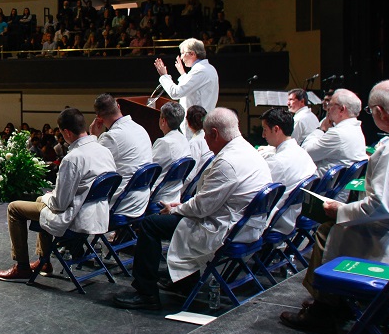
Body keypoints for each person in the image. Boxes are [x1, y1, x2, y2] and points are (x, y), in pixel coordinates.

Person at [280, 80, 389, 334]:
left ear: (380, 112)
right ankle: (334, 302)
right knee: (333, 227)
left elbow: (382, 207)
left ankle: (326, 307)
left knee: (329, 230)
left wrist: (341, 211)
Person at [112, 108, 272, 310]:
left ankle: (146, 292)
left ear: (214, 133)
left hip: (224, 228)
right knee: (170, 217)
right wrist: (183, 206)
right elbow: (210, 200)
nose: (205, 140)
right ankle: (185, 282)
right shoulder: (248, 150)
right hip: (245, 224)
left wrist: (174, 209)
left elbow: (202, 208)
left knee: (150, 224)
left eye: (206, 135)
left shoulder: (227, 162)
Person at [0, 108, 116, 282]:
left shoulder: (73, 158)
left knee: (14, 208)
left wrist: (48, 196)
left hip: (75, 217)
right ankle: (44, 261)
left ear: (66, 132)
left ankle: (22, 267)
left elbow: (60, 204)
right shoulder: (103, 150)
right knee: (39, 200)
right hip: (98, 213)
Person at [89, 93, 153, 218]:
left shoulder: (111, 137)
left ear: (99, 118)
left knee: (71, 204)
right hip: (142, 199)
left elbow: (90, 166)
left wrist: (93, 137)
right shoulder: (141, 129)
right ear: (118, 106)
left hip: (121, 203)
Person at [259, 108, 316, 235]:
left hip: (277, 222)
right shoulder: (302, 153)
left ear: (276, 129)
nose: (263, 135)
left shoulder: (278, 162)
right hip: (294, 215)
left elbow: (256, 192)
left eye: (265, 130)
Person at [153, 38, 219, 133]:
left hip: (195, 126)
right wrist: (183, 74)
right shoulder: (208, 68)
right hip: (199, 123)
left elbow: (175, 93)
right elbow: (193, 89)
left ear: (192, 54)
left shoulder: (200, 71)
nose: (181, 57)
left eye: (183, 53)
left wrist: (164, 76)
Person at [300, 88, 367, 176]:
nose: (328, 109)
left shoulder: (338, 134)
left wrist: (321, 129)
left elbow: (306, 153)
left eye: (330, 105)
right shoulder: (356, 128)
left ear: (342, 109)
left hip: (320, 186)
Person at [150, 102, 191, 205]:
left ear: (163, 121)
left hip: (159, 198)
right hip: (175, 195)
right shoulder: (183, 139)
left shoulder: (164, 142)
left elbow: (150, 170)